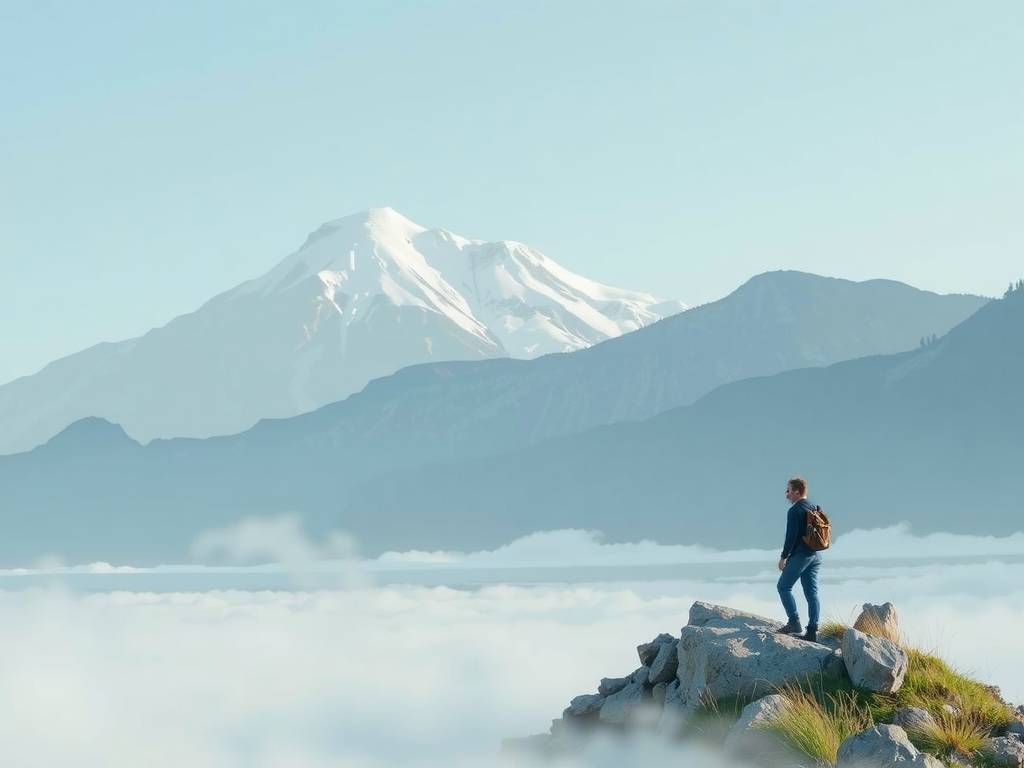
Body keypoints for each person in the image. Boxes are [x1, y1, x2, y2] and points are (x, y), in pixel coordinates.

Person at [775, 476, 821, 643]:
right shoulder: (814, 507)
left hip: (801, 555)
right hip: (816, 555)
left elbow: (791, 536)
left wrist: (783, 557)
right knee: (812, 594)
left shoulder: (795, 510)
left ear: (797, 491)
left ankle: (794, 623)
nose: (786, 494)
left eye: (788, 490)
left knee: (783, 587)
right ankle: (812, 631)